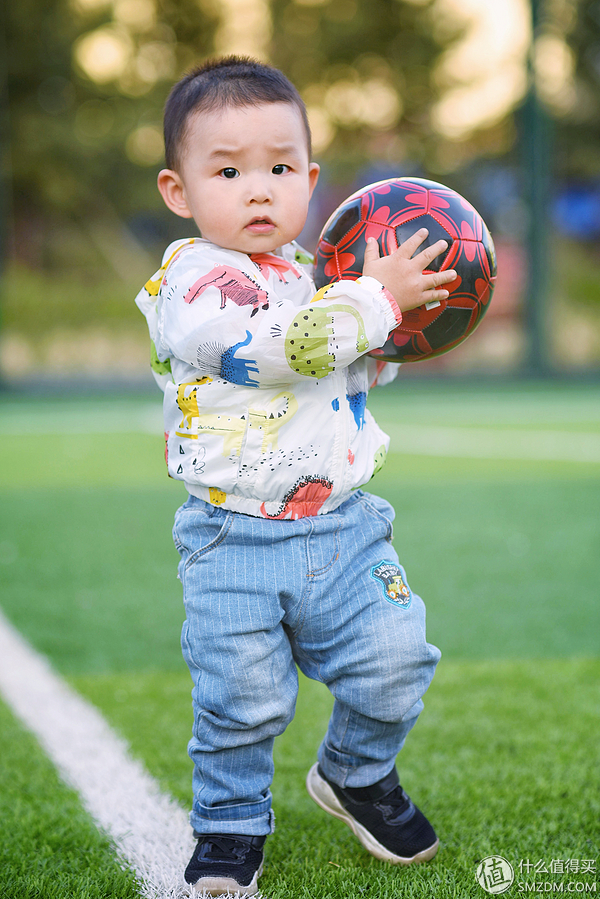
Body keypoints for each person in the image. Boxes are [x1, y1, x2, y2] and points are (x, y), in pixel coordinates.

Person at [136, 55, 454, 897]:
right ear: (179, 190)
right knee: (242, 702)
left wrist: (401, 322)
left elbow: (349, 360)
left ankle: (353, 772)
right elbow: (279, 350)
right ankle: (232, 826)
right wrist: (371, 305)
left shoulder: (321, 277)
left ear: (311, 179)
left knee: (397, 662)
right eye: (228, 169)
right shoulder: (193, 283)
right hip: (233, 535)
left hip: (347, 528)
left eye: (280, 168)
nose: (258, 189)